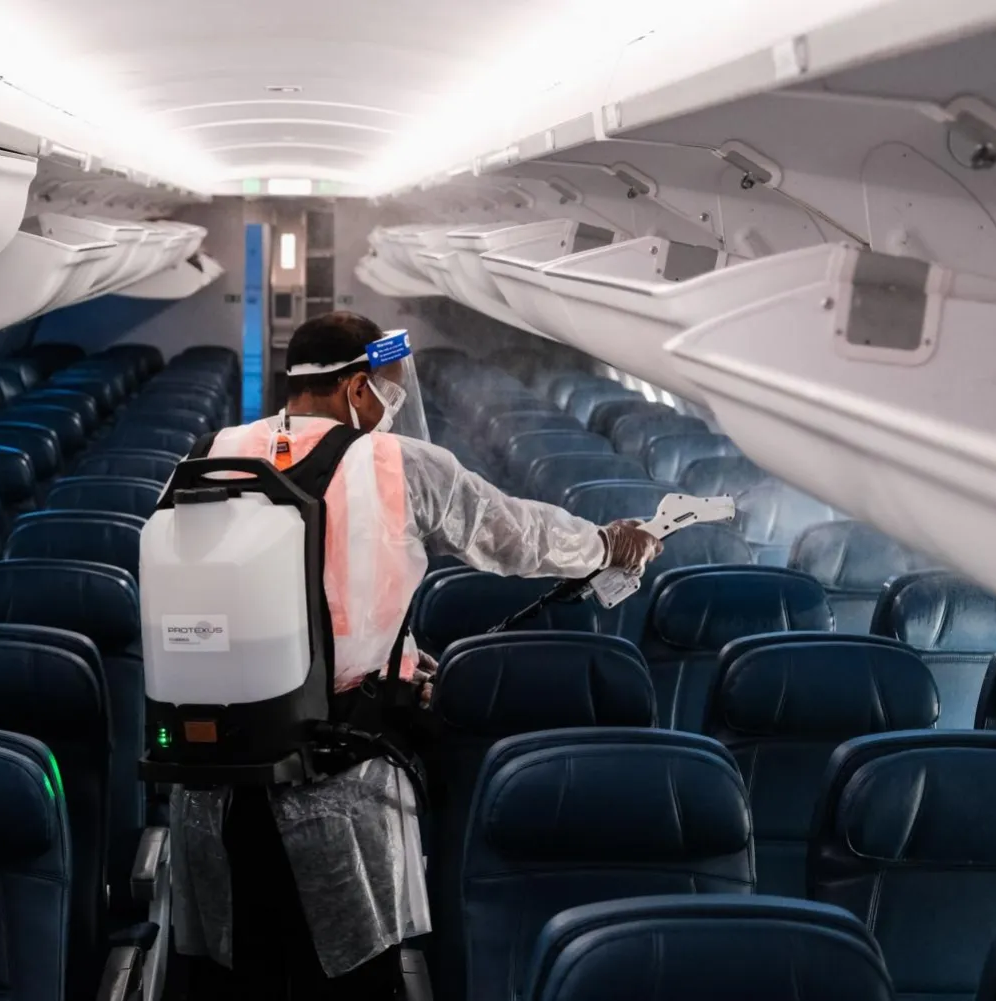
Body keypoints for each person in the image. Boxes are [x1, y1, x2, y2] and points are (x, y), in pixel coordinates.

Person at [169, 311, 663, 1001]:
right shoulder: (400, 465)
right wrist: (610, 544)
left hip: (214, 788)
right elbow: (515, 533)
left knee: (232, 978)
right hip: (340, 787)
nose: (393, 408)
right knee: (355, 980)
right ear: (357, 389)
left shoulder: (207, 452)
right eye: (391, 391)